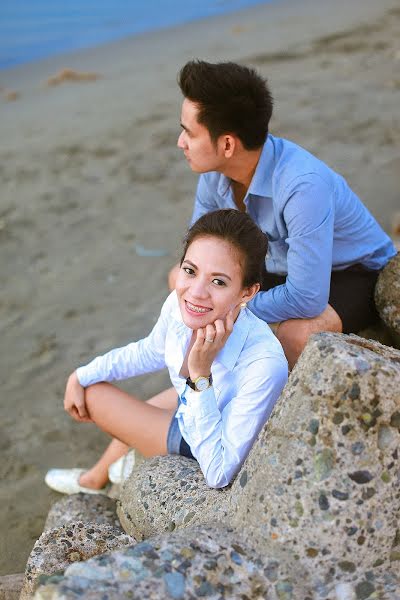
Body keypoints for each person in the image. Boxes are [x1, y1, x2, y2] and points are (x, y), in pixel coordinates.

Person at [169, 60, 397, 369]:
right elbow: (198, 258)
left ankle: (266, 409)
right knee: (182, 283)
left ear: (226, 144)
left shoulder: (302, 185)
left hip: (355, 272)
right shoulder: (214, 175)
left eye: (189, 134)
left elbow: (306, 297)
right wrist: (214, 301)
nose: (180, 142)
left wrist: (229, 306)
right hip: (282, 265)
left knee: (296, 335)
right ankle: (198, 388)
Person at [45, 210, 288, 493]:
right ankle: (99, 476)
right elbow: (148, 351)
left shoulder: (264, 364)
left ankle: (118, 466)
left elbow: (219, 473)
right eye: (190, 270)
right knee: (93, 385)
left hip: (203, 438)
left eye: (218, 281)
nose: (196, 292)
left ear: (247, 292)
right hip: (190, 402)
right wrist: (80, 374)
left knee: (93, 396)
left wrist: (200, 375)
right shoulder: (179, 303)